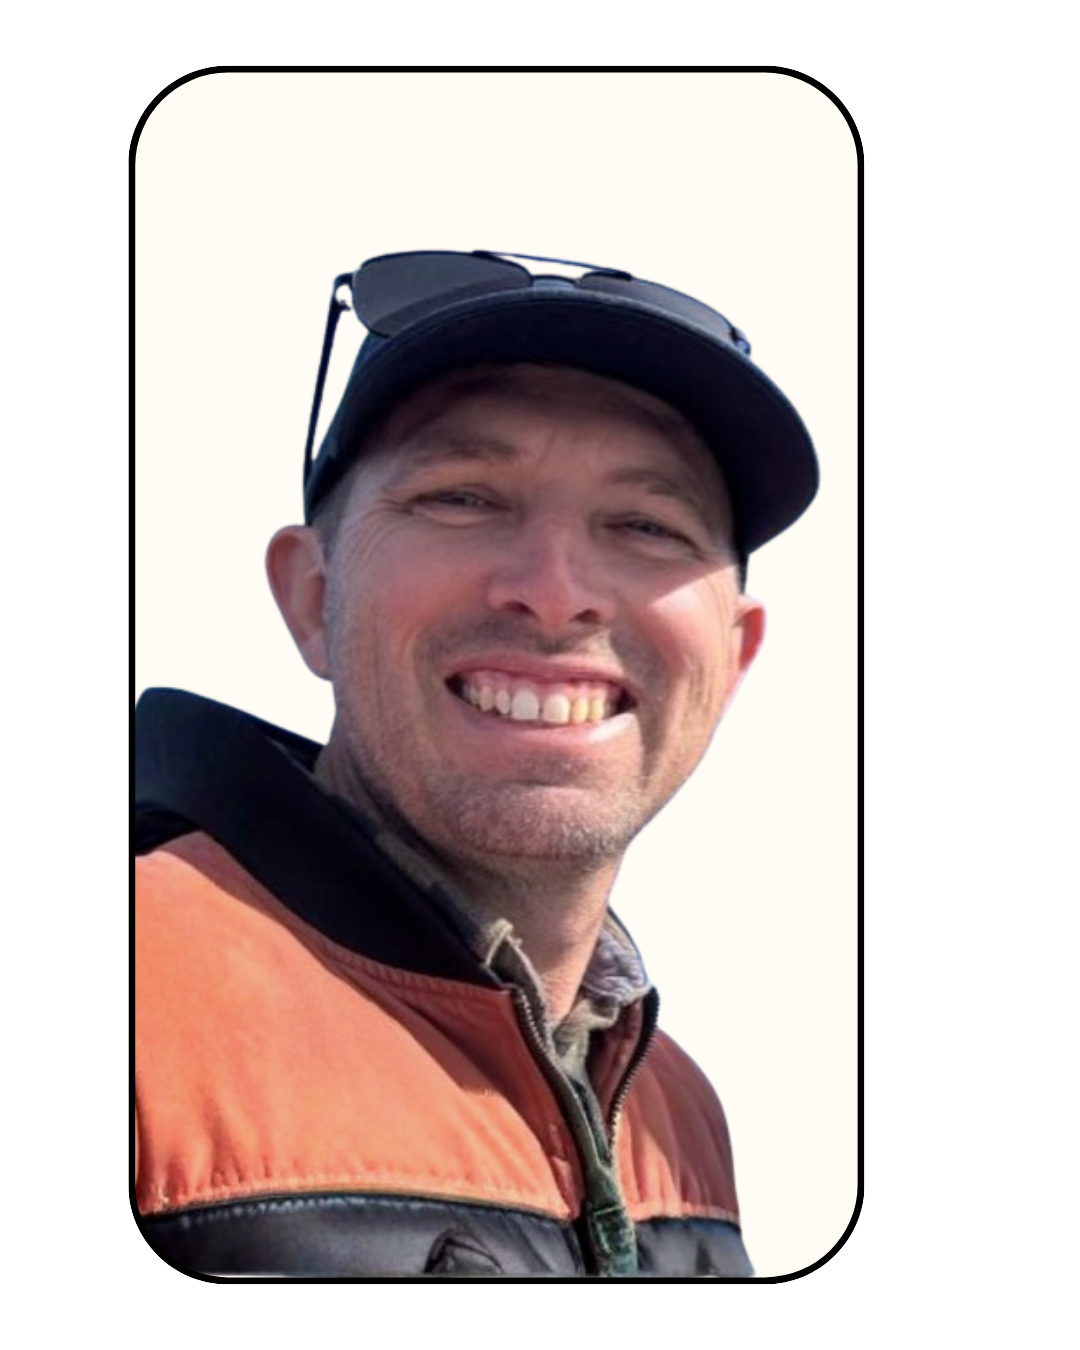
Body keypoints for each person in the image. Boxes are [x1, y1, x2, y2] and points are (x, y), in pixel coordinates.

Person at [134, 250, 819, 1278]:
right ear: (313, 600)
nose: (554, 591)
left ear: (733, 658)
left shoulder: (678, 1112)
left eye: (644, 523)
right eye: (463, 498)